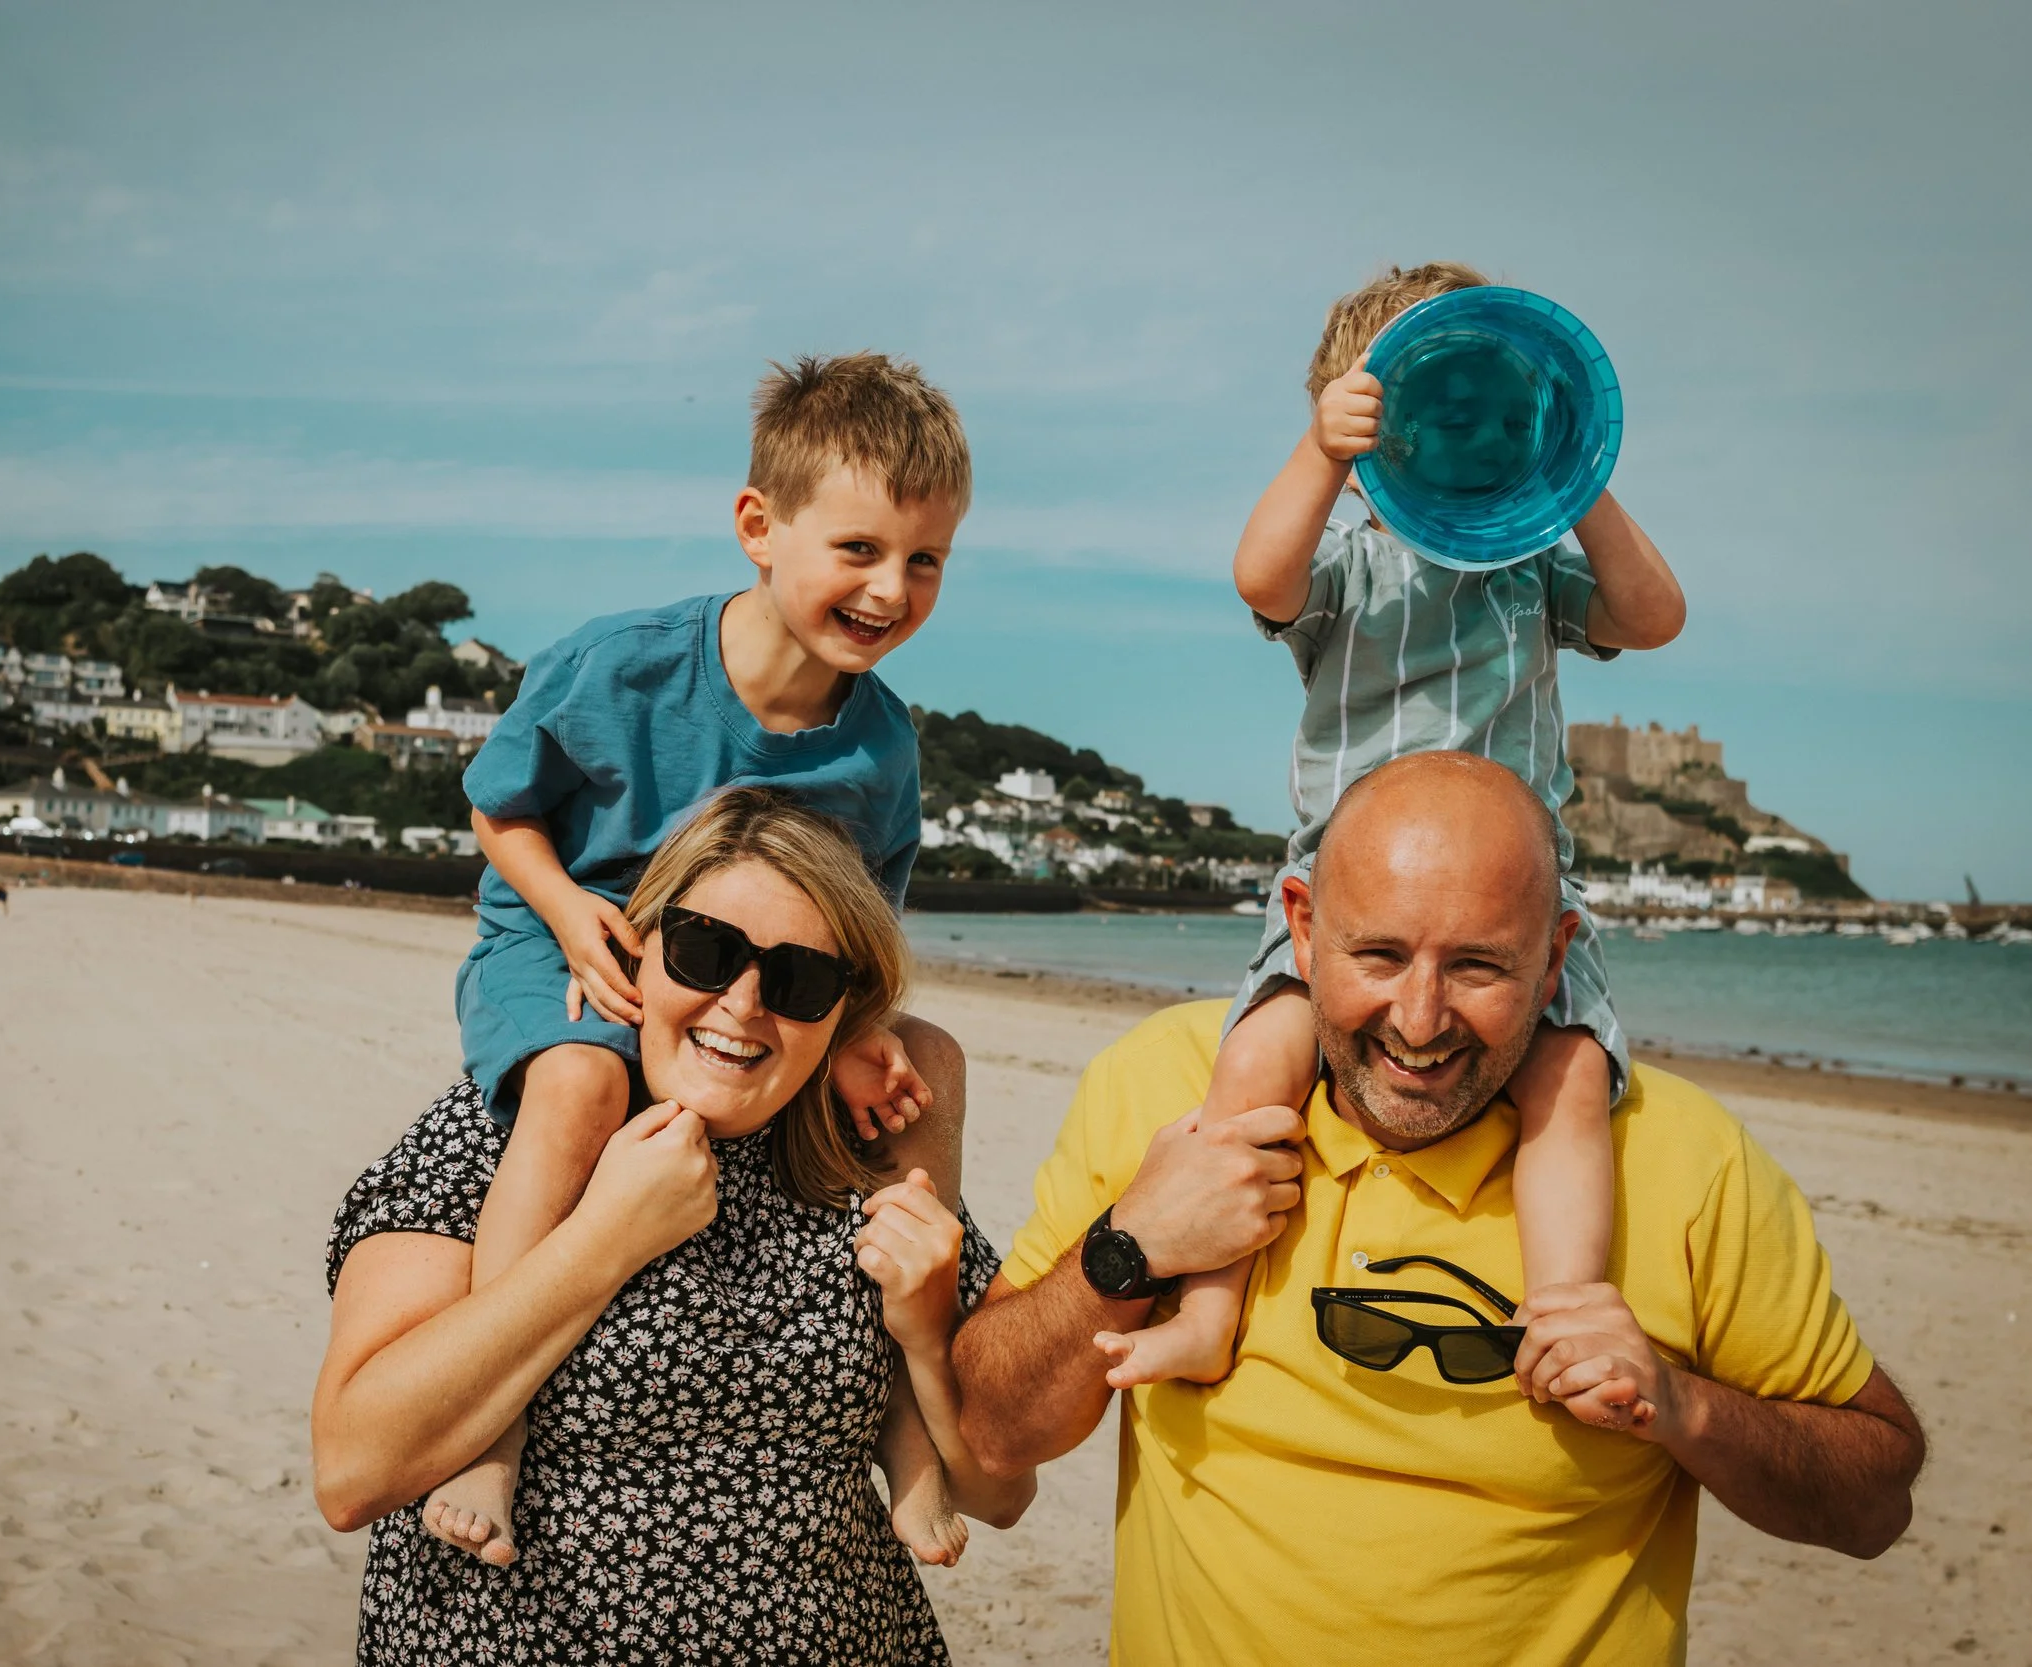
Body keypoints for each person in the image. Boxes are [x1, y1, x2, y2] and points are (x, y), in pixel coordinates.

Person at [951, 753, 1924, 1664]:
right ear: (1300, 927)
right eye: (1378, 953)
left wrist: (1684, 1406)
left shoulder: (1685, 1157)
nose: (1418, 1021)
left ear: (1555, 957)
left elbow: (1874, 1501)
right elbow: (992, 1437)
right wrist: (1127, 1246)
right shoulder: (1160, 1085)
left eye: (1477, 966)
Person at [1096, 262, 1691, 1400]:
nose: (1492, 440)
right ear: (1384, 436)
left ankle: (1565, 1311)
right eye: (1457, 418)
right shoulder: (1351, 571)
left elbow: (1654, 615)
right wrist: (1321, 454)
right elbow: (1260, 574)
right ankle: (1210, 1307)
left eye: (1513, 420)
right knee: (1256, 1061)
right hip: (1349, 890)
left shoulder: (1533, 574)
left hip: (1514, 898)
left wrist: (1577, 475)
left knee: (1569, 1075)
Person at [434, 352, 977, 1565]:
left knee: (925, 1069)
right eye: (859, 549)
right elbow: (498, 809)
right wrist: (567, 911)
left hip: (755, 979)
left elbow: (863, 931)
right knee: (580, 1080)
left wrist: (861, 1031)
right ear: (758, 526)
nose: (890, 589)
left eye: (925, 560)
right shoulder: (620, 662)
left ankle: (910, 1438)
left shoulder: (882, 748)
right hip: (578, 936)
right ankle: (492, 1427)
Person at [314, 789, 1034, 1661]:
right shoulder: (514, 1131)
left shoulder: (865, 1159)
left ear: (844, 1010)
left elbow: (1001, 1493)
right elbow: (351, 1472)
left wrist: (927, 1332)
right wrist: (604, 1241)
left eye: (800, 980)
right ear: (637, 948)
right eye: (705, 951)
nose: (743, 1003)